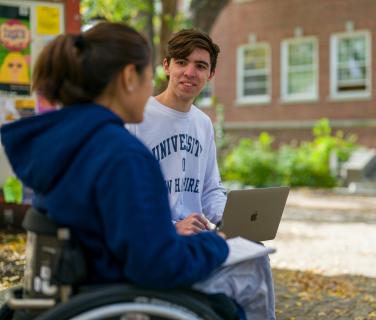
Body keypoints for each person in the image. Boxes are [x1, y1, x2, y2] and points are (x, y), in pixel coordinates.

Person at [0, 23, 269, 320]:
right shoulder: (121, 154)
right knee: (239, 290)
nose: (148, 90)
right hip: (114, 293)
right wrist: (214, 243)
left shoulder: (71, 139)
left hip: (79, 284)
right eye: (146, 77)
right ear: (130, 77)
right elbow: (156, 263)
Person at [126, 29, 276, 319]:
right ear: (167, 65)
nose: (189, 72)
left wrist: (228, 221)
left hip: (197, 235)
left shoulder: (203, 123)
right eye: (182, 62)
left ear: (211, 74)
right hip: (160, 239)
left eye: (200, 66)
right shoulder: (138, 117)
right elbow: (127, 199)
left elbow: (210, 188)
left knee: (256, 258)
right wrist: (171, 227)